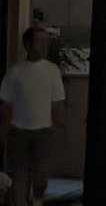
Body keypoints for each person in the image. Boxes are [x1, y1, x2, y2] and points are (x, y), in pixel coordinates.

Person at [0, 26, 66, 206]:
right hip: (18, 131)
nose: (44, 46)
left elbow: (57, 103)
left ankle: (37, 199)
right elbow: (6, 106)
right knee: (20, 176)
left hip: (43, 130)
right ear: (28, 45)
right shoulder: (15, 72)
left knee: (41, 175)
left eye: (46, 42)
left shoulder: (52, 71)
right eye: (40, 42)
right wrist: (3, 134)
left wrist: (60, 127)